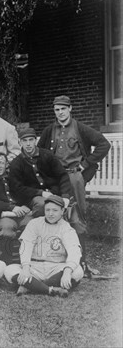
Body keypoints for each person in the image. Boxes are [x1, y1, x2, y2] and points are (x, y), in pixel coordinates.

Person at [38, 95, 111, 274]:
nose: (60, 113)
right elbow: (40, 153)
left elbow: (104, 144)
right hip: (55, 179)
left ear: (70, 108)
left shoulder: (80, 128)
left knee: (77, 217)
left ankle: (81, 262)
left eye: (63, 108)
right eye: (57, 109)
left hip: (74, 177)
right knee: (54, 213)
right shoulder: (49, 130)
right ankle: (56, 259)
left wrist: (84, 165)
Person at [3, 195, 83, 297]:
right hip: (34, 267)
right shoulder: (34, 223)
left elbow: (74, 251)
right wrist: (26, 268)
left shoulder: (66, 228)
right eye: (47, 210)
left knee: (77, 271)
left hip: (56, 267)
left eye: (55, 210)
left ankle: (30, 286)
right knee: (9, 270)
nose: (50, 214)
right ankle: (51, 290)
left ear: (62, 211)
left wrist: (67, 272)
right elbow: (25, 247)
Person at [9, 128, 72, 219]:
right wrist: (40, 193)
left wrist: (65, 196)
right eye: (24, 140)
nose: (28, 144)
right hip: (33, 198)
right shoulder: (16, 163)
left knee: (69, 214)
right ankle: (42, 230)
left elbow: (62, 175)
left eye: (31, 140)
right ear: (20, 143)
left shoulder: (47, 155)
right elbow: (17, 188)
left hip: (54, 193)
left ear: (36, 140)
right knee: (43, 204)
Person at [0, 152, 32, 265]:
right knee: (6, 229)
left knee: (31, 226)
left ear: (6, 164)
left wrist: (26, 206)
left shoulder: (15, 179)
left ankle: (27, 261)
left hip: (23, 213)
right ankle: (7, 263)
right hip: (5, 215)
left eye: (1, 163)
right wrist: (11, 208)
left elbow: (26, 192)